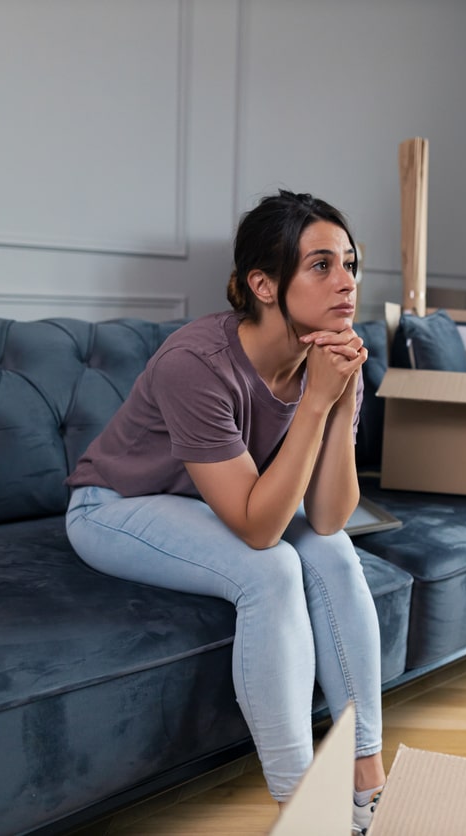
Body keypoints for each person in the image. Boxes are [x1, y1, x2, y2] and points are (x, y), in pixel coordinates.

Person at [64, 190, 385, 834]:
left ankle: (365, 779)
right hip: (114, 507)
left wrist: (342, 398)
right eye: (321, 265)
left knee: (334, 553)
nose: (346, 282)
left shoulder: (326, 357)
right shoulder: (198, 364)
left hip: (213, 507)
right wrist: (318, 405)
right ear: (264, 285)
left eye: (350, 263)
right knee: (270, 570)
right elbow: (260, 529)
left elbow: (327, 519)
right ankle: (304, 812)